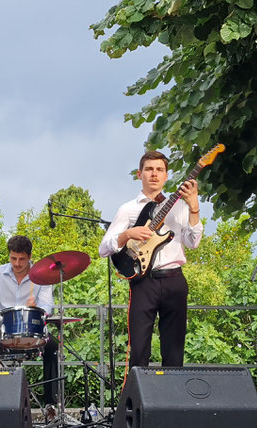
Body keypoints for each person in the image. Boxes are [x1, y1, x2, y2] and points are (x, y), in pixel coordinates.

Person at [99, 151, 203, 369]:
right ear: (140, 174)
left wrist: (194, 207)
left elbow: (193, 242)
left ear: (166, 176)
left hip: (174, 279)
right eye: (149, 169)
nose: (154, 174)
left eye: (159, 170)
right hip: (142, 282)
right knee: (138, 348)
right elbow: (104, 248)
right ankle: (135, 403)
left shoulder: (180, 207)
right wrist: (128, 234)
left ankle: (171, 402)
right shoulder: (128, 209)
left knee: (174, 349)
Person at [0, 235, 58, 404]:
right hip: (4, 331)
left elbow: (47, 307)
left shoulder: (42, 276)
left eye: (22, 259)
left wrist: (37, 308)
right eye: (13, 258)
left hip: (32, 329)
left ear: (30, 257)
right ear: (9, 255)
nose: (17, 263)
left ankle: (50, 404)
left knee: (53, 347)